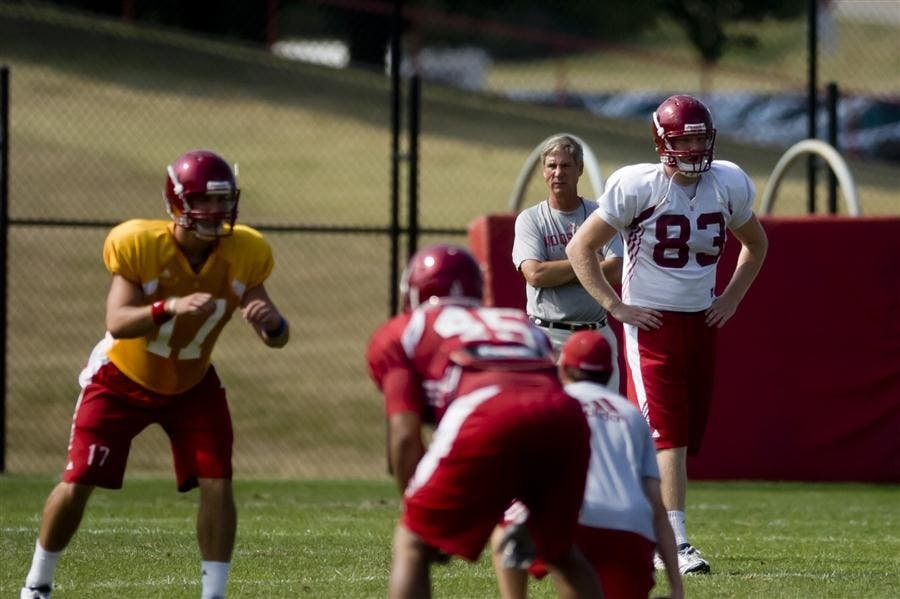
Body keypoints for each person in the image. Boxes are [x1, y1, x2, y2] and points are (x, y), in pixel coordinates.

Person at [20, 149, 290, 599]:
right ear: (179, 202)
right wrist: (169, 307)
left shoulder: (246, 252)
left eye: (223, 200)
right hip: (121, 377)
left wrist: (273, 324)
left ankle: (214, 595)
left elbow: (276, 336)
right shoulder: (140, 244)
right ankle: (37, 584)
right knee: (80, 479)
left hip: (192, 383)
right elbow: (117, 321)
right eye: (204, 200)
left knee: (218, 481)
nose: (216, 210)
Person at [565, 95, 768, 574]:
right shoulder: (639, 185)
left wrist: (732, 297)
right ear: (663, 143)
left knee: (680, 436)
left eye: (700, 138)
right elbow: (581, 248)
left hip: (700, 321)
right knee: (668, 436)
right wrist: (616, 306)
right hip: (653, 324)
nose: (695, 148)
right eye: (684, 140)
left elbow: (756, 244)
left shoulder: (727, 182)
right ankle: (671, 541)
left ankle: (611, 514)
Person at [366, 243, 602, 599]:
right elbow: (533, 400)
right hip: (565, 414)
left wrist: (418, 514)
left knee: (412, 541)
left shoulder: (402, 330)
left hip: (485, 409)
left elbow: (403, 434)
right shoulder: (516, 321)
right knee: (561, 551)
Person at [492, 330, 684, 599]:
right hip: (629, 532)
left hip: (570, 522)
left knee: (507, 518)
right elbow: (657, 507)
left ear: (563, 368)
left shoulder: (550, 402)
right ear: (609, 372)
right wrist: (676, 587)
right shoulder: (632, 415)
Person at [512, 134, 623, 390]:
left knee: (602, 409)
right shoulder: (531, 219)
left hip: (595, 335)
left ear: (579, 169)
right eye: (551, 166)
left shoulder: (600, 215)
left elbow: (616, 269)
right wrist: (589, 264)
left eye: (565, 165)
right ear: (544, 171)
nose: (558, 173)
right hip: (549, 336)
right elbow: (535, 274)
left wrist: (557, 272)